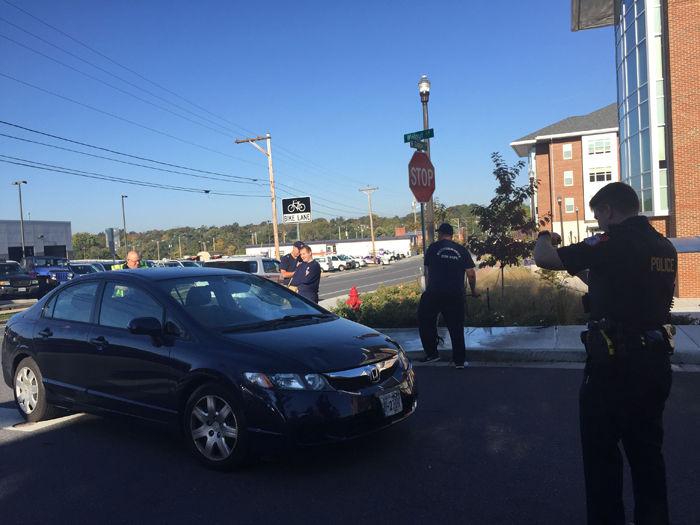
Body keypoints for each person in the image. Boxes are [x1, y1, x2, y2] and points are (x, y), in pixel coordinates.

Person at [533, 182, 677, 525]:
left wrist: (544, 235)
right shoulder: (663, 246)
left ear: (608, 211)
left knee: (602, 463)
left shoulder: (611, 240)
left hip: (614, 369)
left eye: (598, 216)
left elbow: (544, 258)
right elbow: (617, 281)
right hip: (655, 363)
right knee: (648, 460)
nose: (598, 224)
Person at [417, 222, 478, 368]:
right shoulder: (461, 250)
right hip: (455, 293)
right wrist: (473, 291)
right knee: (456, 326)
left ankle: (432, 354)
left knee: (425, 321)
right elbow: (471, 274)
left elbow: (427, 271)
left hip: (434, 292)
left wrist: (428, 288)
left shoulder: (433, 248)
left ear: (440, 234)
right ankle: (459, 361)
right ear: (452, 234)